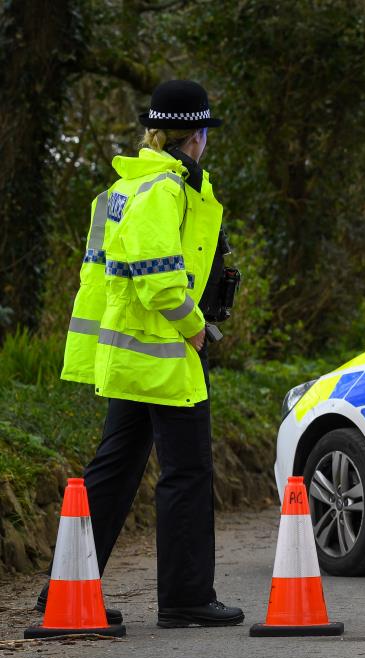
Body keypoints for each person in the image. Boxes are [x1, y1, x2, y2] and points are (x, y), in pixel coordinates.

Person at [40, 80, 244, 628]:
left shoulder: (120, 191)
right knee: (187, 472)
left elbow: (98, 279)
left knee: (113, 471)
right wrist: (197, 329)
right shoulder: (164, 191)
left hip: (128, 355)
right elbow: (160, 283)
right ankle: (185, 598)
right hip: (165, 353)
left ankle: (64, 590)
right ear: (196, 135)